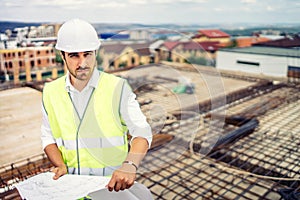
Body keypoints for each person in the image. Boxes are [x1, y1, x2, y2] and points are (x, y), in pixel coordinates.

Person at [41, 18, 152, 192]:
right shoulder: (50, 92)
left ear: (95, 53)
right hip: (72, 189)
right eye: (74, 56)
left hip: (111, 188)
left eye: (87, 54)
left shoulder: (118, 88)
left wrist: (129, 165)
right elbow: (48, 138)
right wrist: (60, 165)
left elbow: (142, 131)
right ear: (62, 55)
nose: (82, 63)